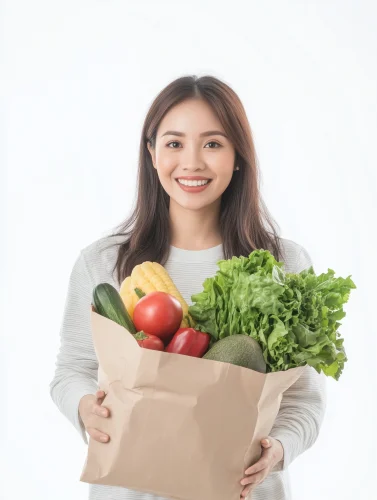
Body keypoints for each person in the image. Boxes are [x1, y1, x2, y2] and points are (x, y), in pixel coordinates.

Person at [49, 74, 327, 500]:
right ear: (152, 154)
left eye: (213, 144)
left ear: (238, 156)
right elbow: (72, 371)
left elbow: (303, 399)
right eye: (174, 143)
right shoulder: (103, 262)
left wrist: (279, 450)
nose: (192, 162)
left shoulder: (284, 265)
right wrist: (86, 409)